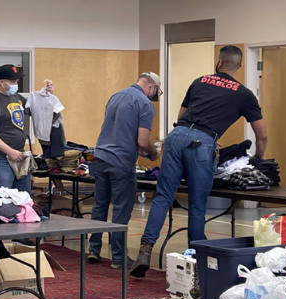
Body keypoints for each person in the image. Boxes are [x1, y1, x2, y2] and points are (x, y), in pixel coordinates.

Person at [132, 45, 268, 278]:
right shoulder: (245, 94)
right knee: (197, 203)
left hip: (176, 137)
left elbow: (181, 117)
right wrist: (259, 158)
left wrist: (193, 135)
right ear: (240, 66)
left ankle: (144, 251)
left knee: (163, 197)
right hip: (202, 145)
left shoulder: (199, 81)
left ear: (219, 63)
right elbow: (262, 134)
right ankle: (194, 260)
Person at [87, 73, 161, 269]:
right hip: (121, 163)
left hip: (100, 156)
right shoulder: (145, 104)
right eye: (155, 93)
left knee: (100, 206)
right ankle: (118, 258)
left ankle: (93, 249)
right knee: (121, 210)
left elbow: (117, 131)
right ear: (152, 87)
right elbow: (143, 141)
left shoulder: (115, 96)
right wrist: (154, 154)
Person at [0, 64, 52, 192]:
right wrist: (9, 151)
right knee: (3, 199)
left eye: (17, 81)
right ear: (2, 82)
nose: (16, 84)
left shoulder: (17, 97)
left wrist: (46, 95)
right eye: (13, 81)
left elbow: (35, 109)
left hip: (19, 156)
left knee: (23, 197)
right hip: (0, 158)